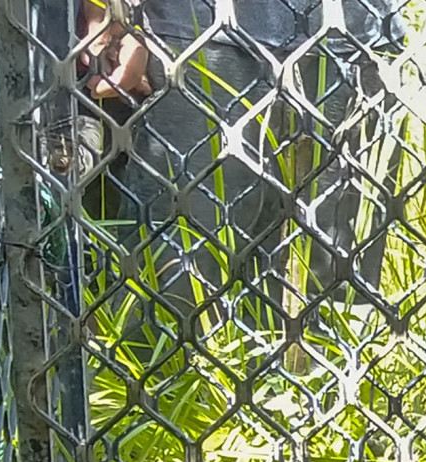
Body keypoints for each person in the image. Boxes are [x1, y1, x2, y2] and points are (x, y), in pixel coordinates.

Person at [76, 0, 406, 347]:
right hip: (197, 32)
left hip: (359, 36)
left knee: (332, 306)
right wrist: (112, 10)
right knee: (171, 306)